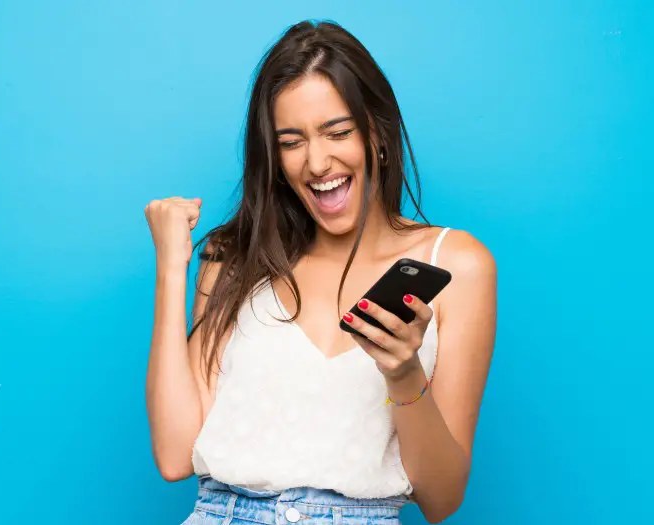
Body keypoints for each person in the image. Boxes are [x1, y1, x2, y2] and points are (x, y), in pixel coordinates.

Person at [144, 20, 497, 525]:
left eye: (337, 132)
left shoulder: (455, 264)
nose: (316, 162)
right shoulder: (235, 260)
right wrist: (171, 270)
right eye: (291, 141)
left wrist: (402, 372)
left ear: (376, 131)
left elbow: (441, 500)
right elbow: (175, 455)